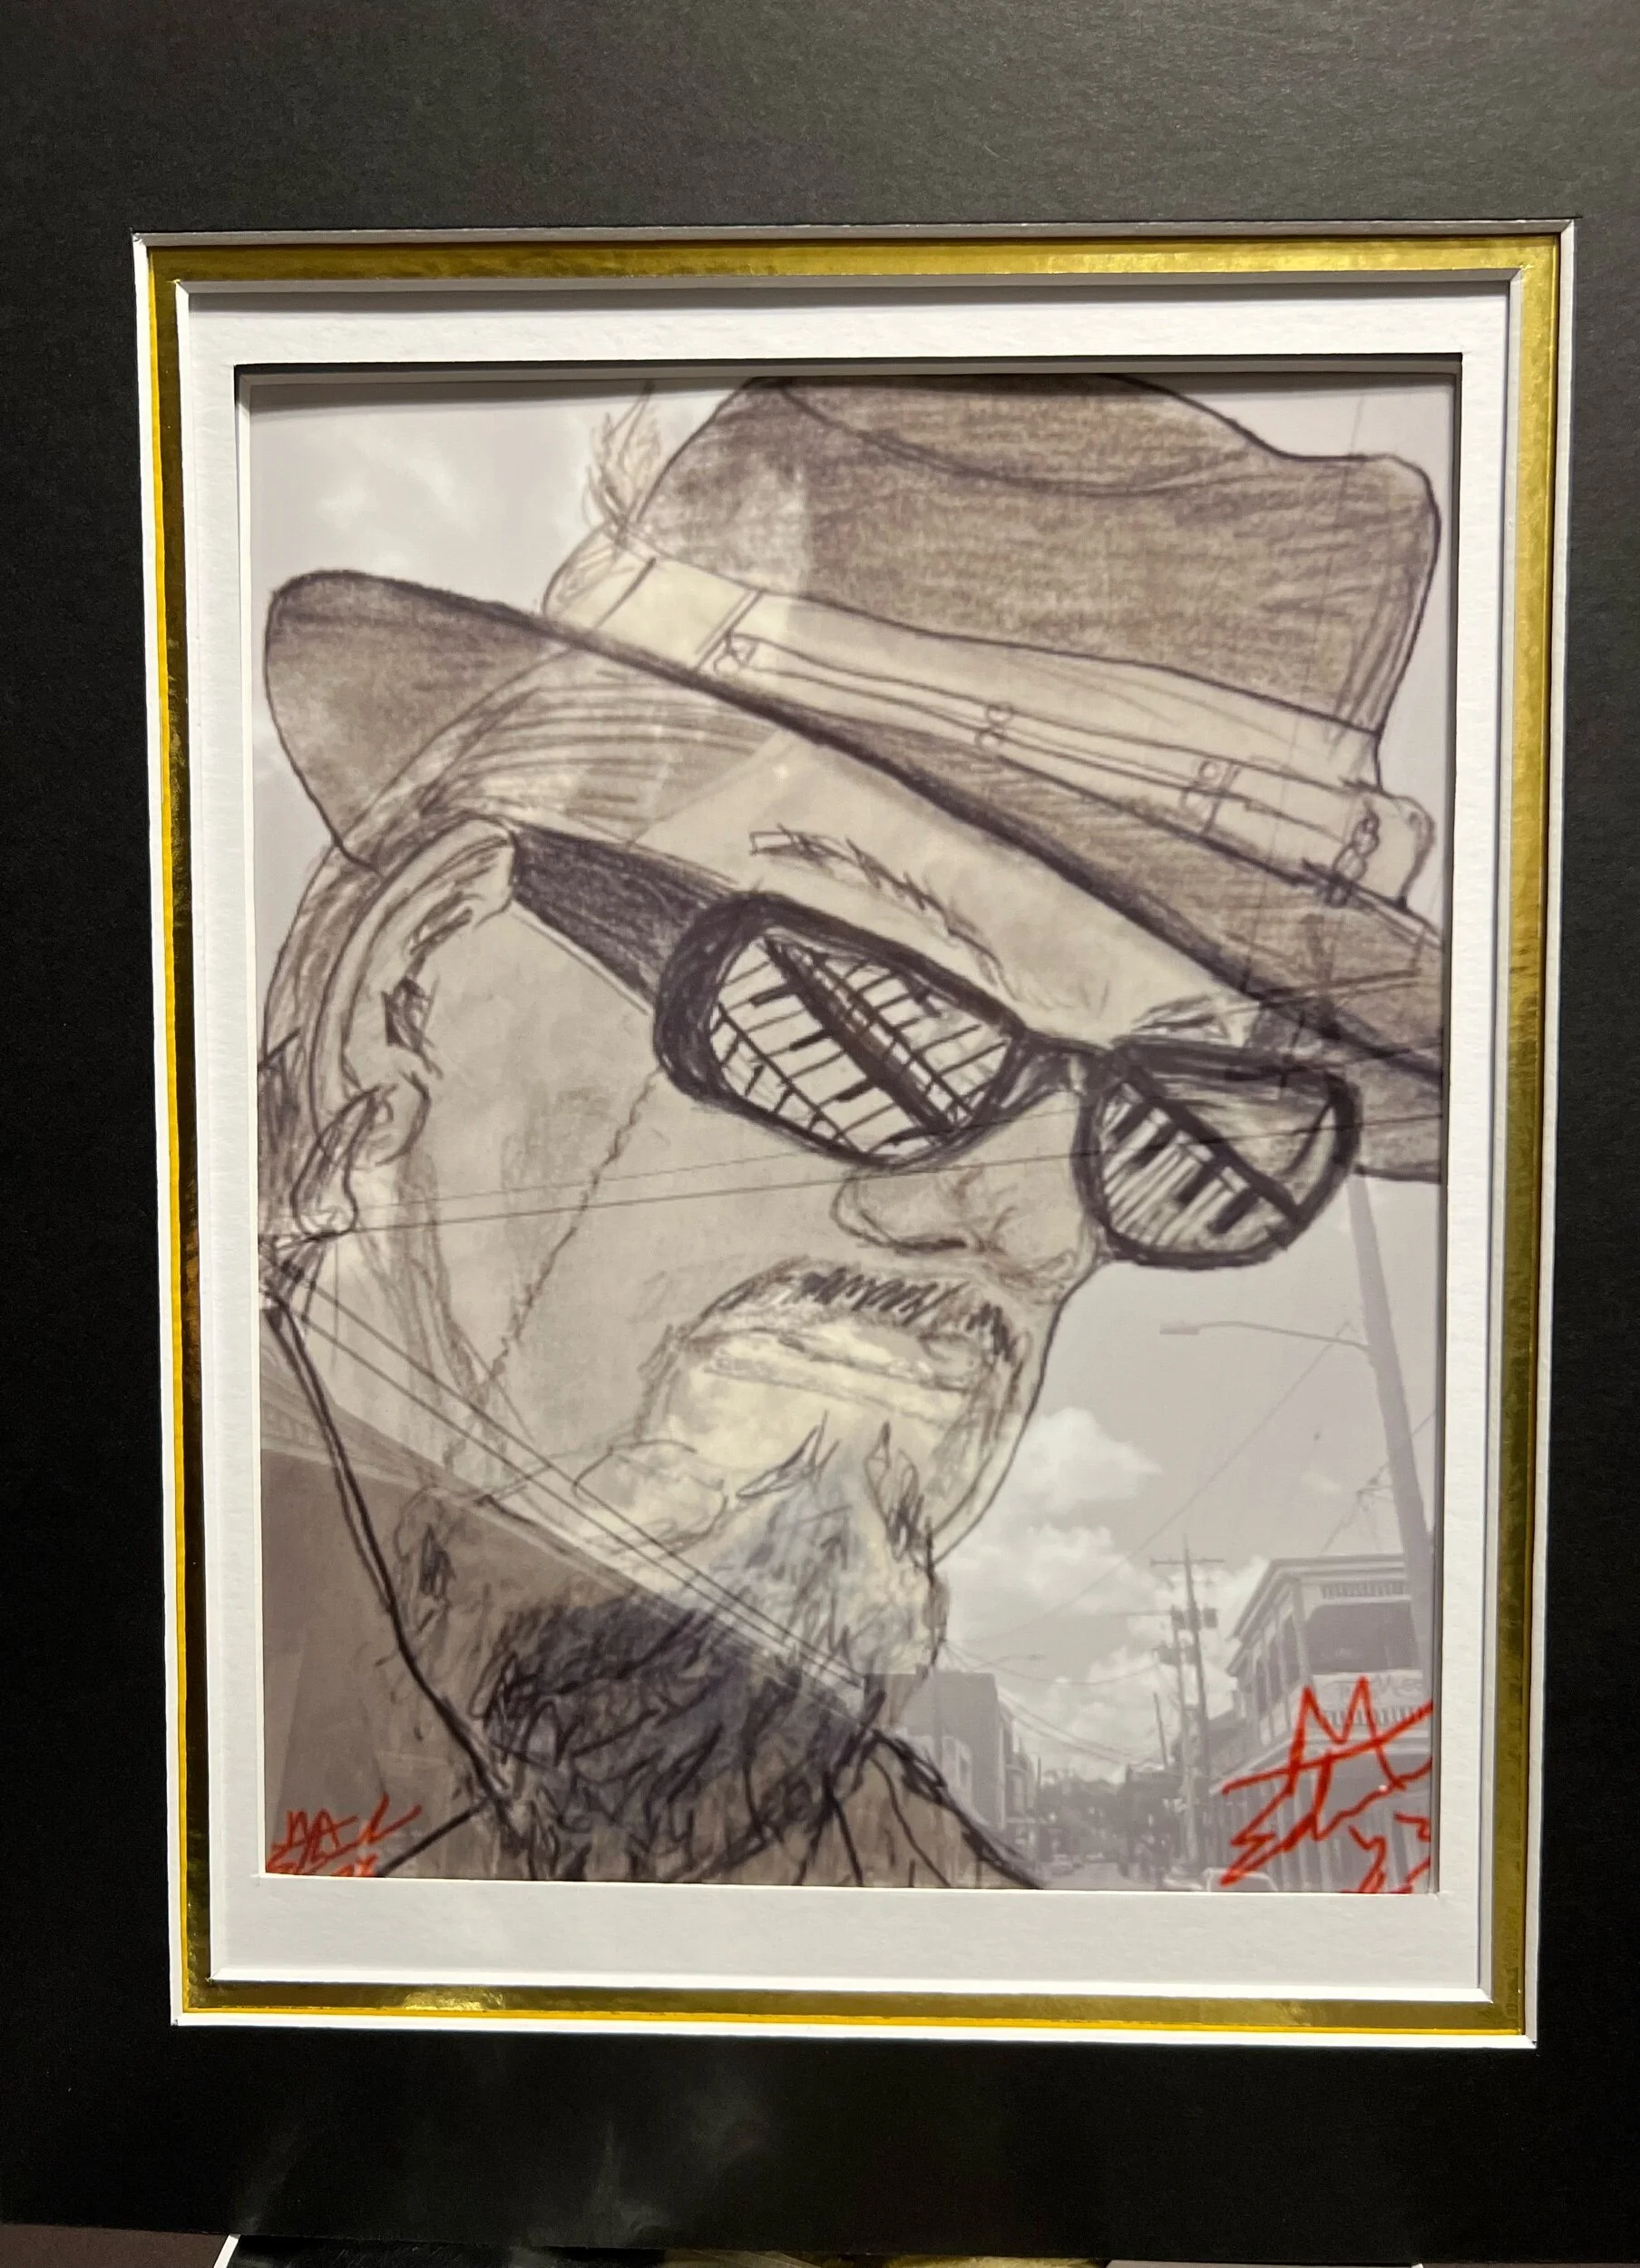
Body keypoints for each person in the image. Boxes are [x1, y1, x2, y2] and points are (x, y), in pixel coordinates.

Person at [256, 376, 1443, 1887]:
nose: (1038, 1232)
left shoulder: (917, 1896)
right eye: (863, 1026)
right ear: (408, 980)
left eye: (1167, 1131)